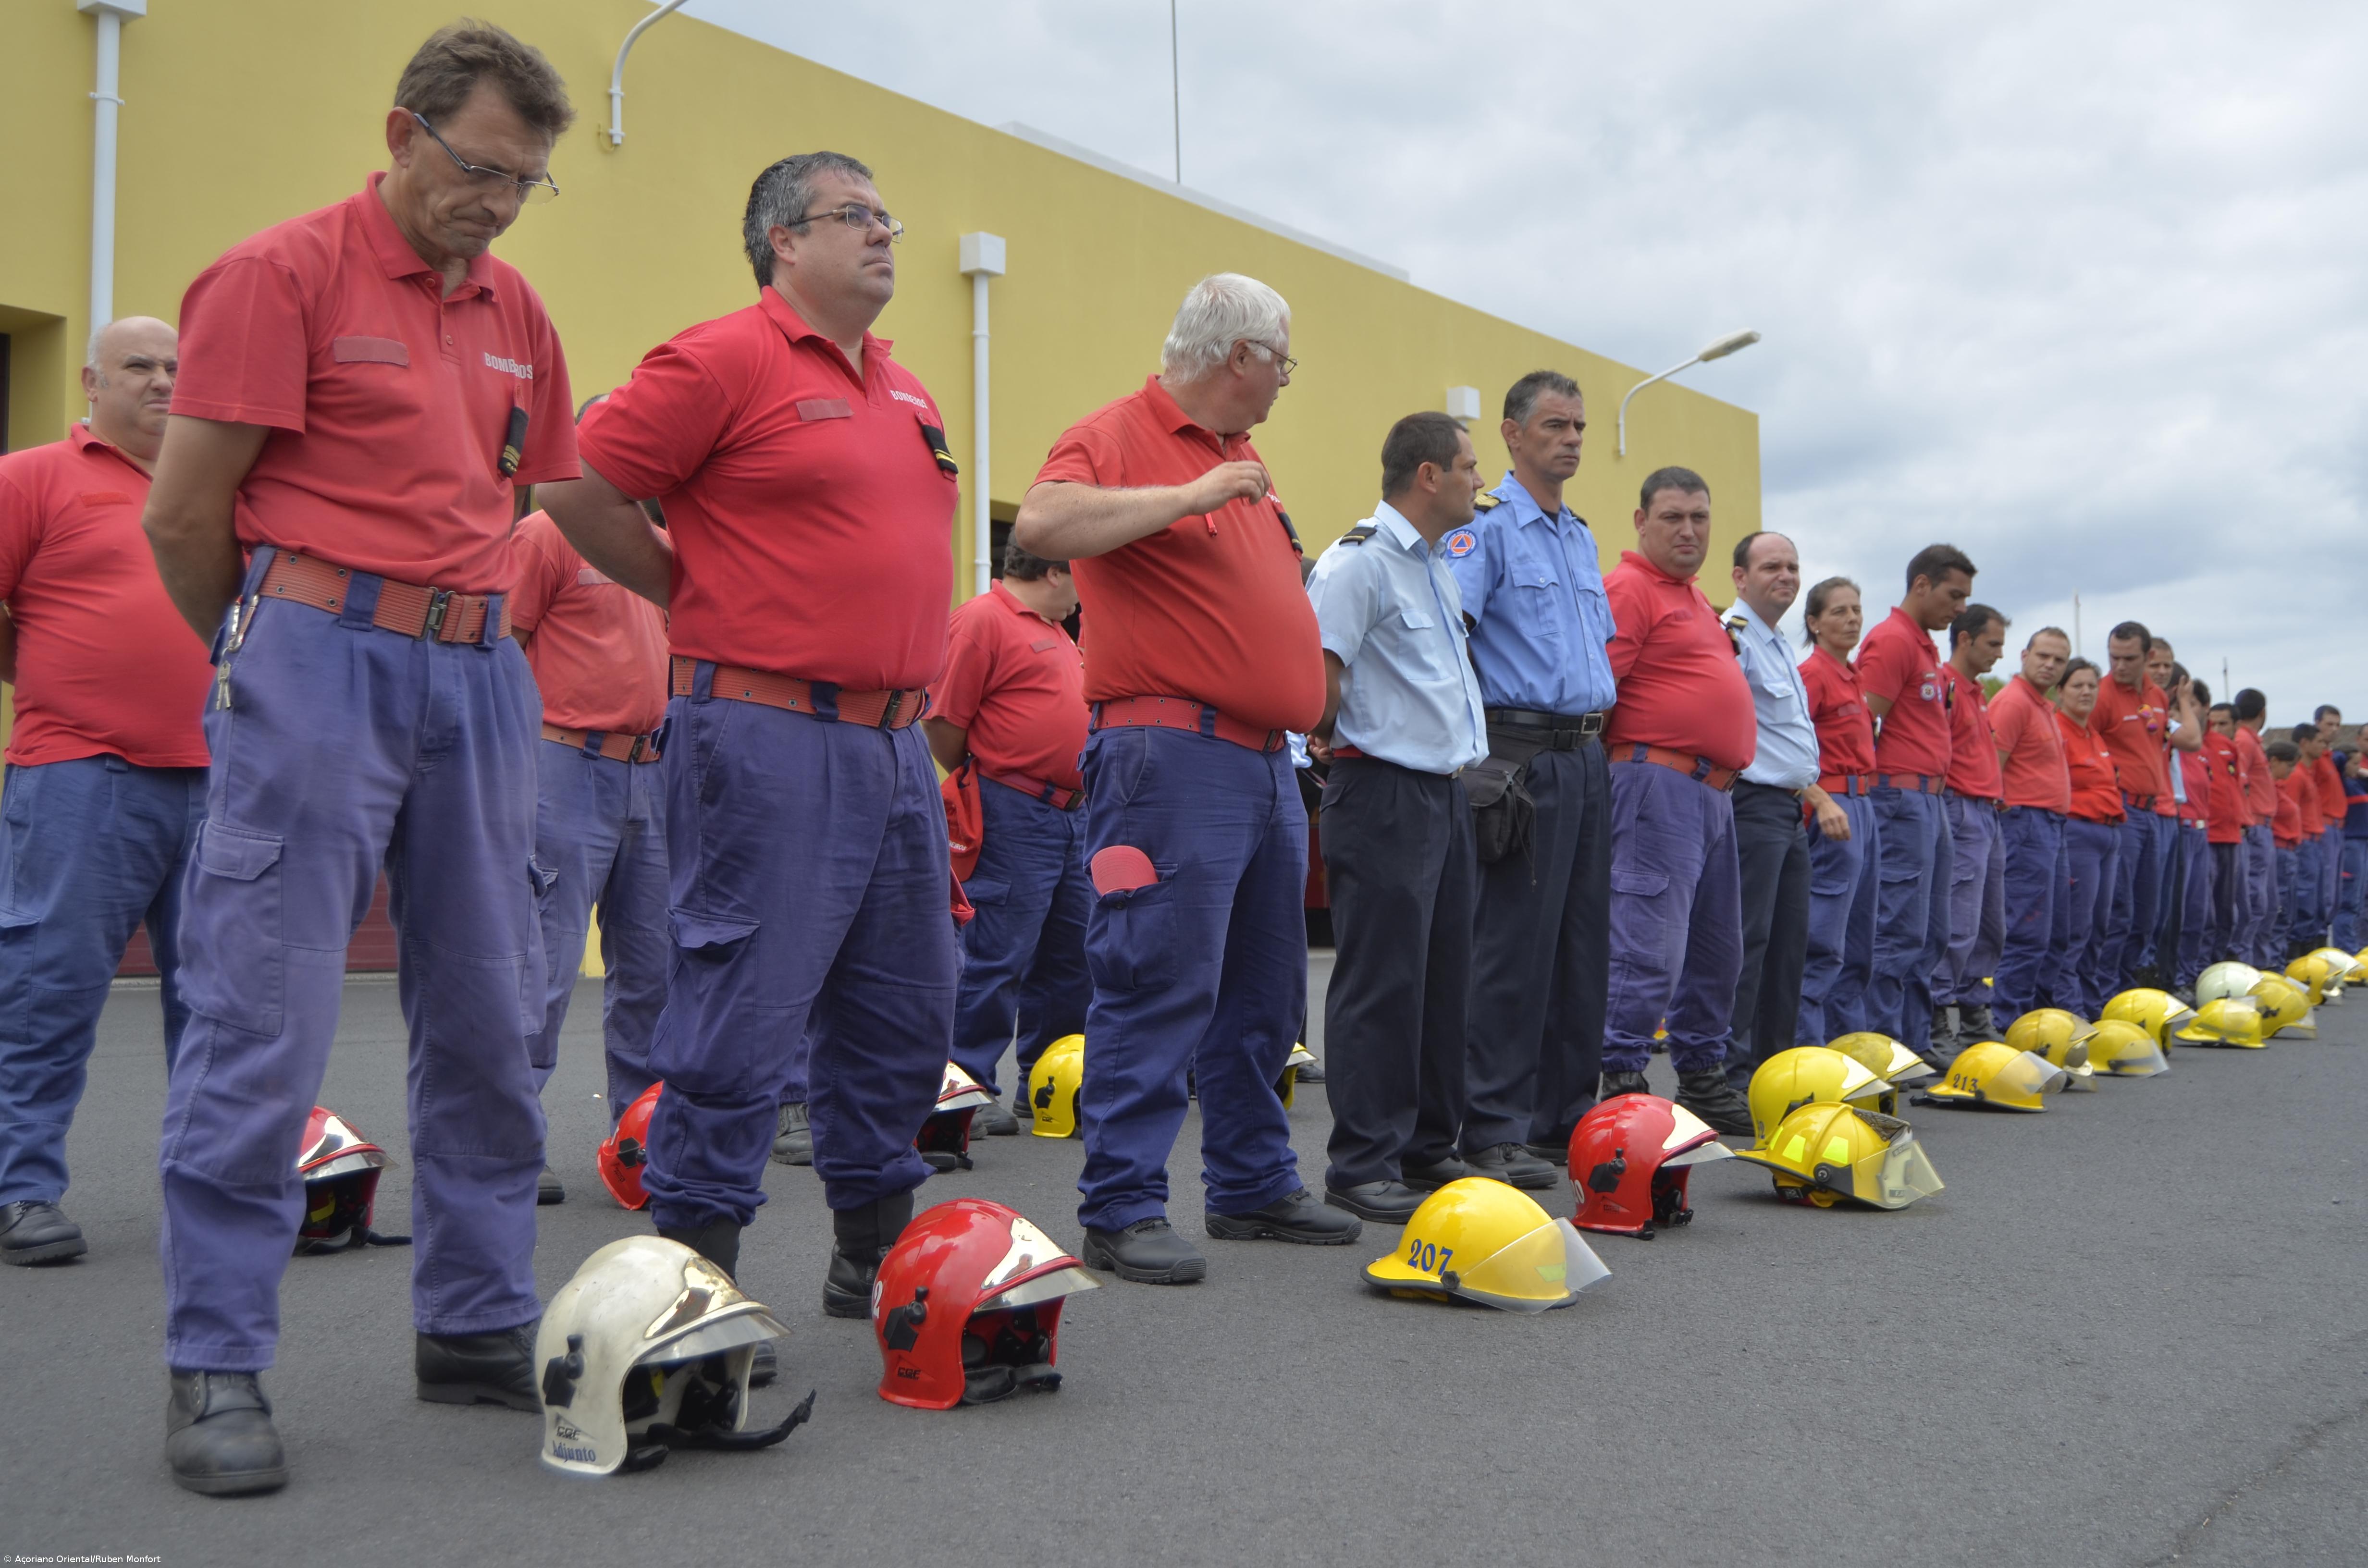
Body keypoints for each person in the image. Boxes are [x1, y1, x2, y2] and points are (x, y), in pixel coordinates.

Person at [138, 24, 580, 1494]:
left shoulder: (518, 305)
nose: (498, 204)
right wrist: (263, 660)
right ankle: (215, 1359)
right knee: (261, 1015)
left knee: (490, 1010)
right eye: (479, 170)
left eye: (525, 183)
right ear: (403, 131)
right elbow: (184, 517)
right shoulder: (278, 275)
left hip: (482, 669)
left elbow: (527, 493)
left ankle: (471, 1318)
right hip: (317, 652)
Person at [542, 150, 962, 1320]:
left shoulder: (908, 388)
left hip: (893, 747)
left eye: (889, 215)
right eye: (855, 216)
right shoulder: (723, 357)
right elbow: (574, 482)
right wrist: (691, 592)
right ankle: (692, 1292)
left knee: (903, 1010)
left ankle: (870, 1261)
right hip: (769, 733)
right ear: (783, 238)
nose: (885, 235)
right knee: (743, 1015)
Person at [1012, 272, 1359, 1284]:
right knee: (1155, 979)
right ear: (1238, 356)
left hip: (1259, 762)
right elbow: (1040, 526)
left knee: (1263, 991)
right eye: (1282, 363)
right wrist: (1192, 495)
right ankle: (1121, 1206)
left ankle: (1250, 1185)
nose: (1286, 383)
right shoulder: (1124, 433)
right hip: (1168, 758)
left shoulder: (1242, 456)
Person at [0, 318, 210, 1270]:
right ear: (90, 380)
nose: (163, 380)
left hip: (218, 782)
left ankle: (214, 1193)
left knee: (218, 1003)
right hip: (83, 775)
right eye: (140, 367)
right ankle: (21, 1191)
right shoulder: (34, 478)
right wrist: (56, 680)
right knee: (49, 990)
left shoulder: (216, 487)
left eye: (175, 367)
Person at [1303, 412, 1489, 1222]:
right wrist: (1322, 744)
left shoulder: (1434, 568)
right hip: (1381, 790)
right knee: (1381, 980)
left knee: (1445, 978)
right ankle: (1361, 1160)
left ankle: (1425, 1145)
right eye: (1469, 467)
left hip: (1443, 791)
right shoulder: (1358, 564)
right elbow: (1318, 676)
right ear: (1427, 474)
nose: (1477, 481)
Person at [1443, 370, 1616, 1181]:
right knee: (1512, 947)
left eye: (1578, 425)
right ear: (1511, 434)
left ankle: (1560, 1115)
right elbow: (1447, 637)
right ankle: (1491, 1123)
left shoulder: (1579, 535)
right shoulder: (1488, 531)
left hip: (1586, 755)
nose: (1571, 438)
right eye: (1554, 425)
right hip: (1519, 754)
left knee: (1581, 945)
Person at [508, 401, 671, 1203]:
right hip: (562, 764)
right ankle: (509, 1140)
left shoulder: (649, 542)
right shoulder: (545, 531)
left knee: (653, 972)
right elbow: (499, 648)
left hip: (651, 772)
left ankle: (641, 1140)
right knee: (540, 963)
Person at [1594, 468, 1755, 1136]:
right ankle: (1622, 1076)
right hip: (1656, 785)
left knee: (1719, 951)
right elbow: (1599, 689)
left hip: (1711, 795)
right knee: (1647, 947)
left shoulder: (1694, 598)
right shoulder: (1630, 588)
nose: (1688, 530)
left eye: (1699, 517)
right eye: (1672, 518)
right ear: (1640, 522)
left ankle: (1701, 1074)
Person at [922, 541, 1090, 1137]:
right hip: (1014, 805)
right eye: (1080, 573)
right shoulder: (982, 619)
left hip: (1068, 812)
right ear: (1051, 570)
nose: (1084, 590)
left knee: (1068, 958)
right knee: (996, 954)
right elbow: (943, 723)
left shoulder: (1052, 627)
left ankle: (1048, 1084)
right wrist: (991, 777)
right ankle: (964, 1088)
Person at [1855, 544, 1974, 1061]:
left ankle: (1913, 1043)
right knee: (1897, 931)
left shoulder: (1922, 645)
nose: (1960, 607)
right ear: (1921, 585)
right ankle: (1884, 1051)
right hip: (1899, 797)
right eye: (1953, 594)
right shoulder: (1891, 640)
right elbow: (1861, 722)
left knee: (1930, 932)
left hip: (1929, 800)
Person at [1720, 532, 1825, 1092]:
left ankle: (1771, 1075)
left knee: (1787, 949)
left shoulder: (1778, 642)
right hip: (1752, 805)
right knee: (1748, 945)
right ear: (1740, 578)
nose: (1785, 576)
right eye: (1770, 567)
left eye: (1792, 567)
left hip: (1788, 811)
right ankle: (1731, 1077)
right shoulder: (1732, 639)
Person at [1795, 576, 1880, 1045]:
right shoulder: (1812, 674)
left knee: (1858, 946)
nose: (1851, 619)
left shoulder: (1851, 675)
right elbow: (1783, 746)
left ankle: (1847, 1054)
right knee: (1822, 945)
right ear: (1814, 623)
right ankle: (1809, 1055)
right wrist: (1818, 800)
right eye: (1838, 612)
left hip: (1862, 805)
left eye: (1855, 609)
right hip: (1832, 808)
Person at [2092, 623, 2196, 989]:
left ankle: (2126, 984)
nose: (2119, 666)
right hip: (2122, 810)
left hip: (2153, 812)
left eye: (2129, 659)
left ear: (2148, 657)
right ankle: (2103, 991)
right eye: (2113, 657)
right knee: (2119, 909)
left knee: (2148, 914)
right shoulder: (2101, 696)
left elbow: (2181, 742)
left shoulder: (2157, 696)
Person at [1986, 625, 2072, 1023]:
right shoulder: (2014, 702)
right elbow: (1992, 770)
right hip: (2024, 823)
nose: (2050, 665)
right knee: (2026, 932)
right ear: (2024, 656)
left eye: (2059, 660)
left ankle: (2039, 1021)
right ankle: (2011, 1021)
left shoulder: (2043, 705)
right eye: (2043, 656)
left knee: (2054, 933)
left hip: (2051, 825)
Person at [1933, 603, 2008, 1046]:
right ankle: (1938, 1018)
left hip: (1987, 811)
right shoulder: (1946, 686)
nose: (2000, 652)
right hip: (1960, 808)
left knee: (1990, 924)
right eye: (1993, 643)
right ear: (1966, 640)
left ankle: (1975, 1011)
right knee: (1958, 923)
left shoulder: (1976, 692)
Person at [2049, 661, 2125, 1018]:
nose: (2086, 692)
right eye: (2077, 685)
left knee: (2100, 926)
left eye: (2092, 686)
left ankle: (2092, 1006)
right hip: (2078, 831)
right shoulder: (2057, 729)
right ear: (2061, 691)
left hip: (2108, 834)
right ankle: (2070, 1008)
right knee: (2076, 928)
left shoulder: (2094, 734)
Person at [2144, 642, 2205, 995]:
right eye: (2156, 666)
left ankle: (2167, 981)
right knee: (2148, 912)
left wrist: (2183, 698)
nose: (2163, 673)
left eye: (2168, 667)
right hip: (2150, 812)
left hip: (2172, 814)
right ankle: (2149, 981)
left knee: (2171, 911)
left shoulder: (2164, 716)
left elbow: (2193, 739)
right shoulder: (2142, 712)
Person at [2162, 672, 2215, 997]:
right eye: (2182, 704)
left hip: (2200, 832)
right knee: (2175, 913)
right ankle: (2175, 977)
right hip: (2179, 826)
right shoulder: (2171, 737)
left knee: (2198, 911)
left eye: (2193, 704)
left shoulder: (2201, 749)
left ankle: (2191, 973)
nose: (2187, 712)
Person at [2232, 688, 2282, 967]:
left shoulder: (2250, 741)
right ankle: (2247, 963)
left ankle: (2260, 963)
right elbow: (2238, 784)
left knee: (2266, 902)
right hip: (2254, 826)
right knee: (2253, 900)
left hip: (2262, 827)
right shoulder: (2245, 741)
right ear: (2262, 713)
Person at [2201, 703, 2249, 966]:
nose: (2218, 729)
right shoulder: (2191, 743)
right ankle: (2201, 966)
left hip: (2231, 835)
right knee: (2204, 909)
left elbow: (2237, 787)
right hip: (2206, 835)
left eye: (2224, 724)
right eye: (2214, 723)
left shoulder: (2228, 747)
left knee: (2228, 910)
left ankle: (2220, 964)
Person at [2285, 723, 2328, 956]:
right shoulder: (2297, 775)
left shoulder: (2308, 773)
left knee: (2317, 900)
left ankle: (2311, 949)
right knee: (2305, 899)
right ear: (2305, 743)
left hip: (2315, 841)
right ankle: (2298, 954)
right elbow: (2292, 810)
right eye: (2319, 741)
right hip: (2305, 842)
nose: (2324, 746)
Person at [2311, 706, 2348, 948]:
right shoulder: (2315, 760)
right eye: (2329, 724)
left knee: (2335, 891)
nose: (2333, 730)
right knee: (2323, 889)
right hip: (2323, 826)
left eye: (2337, 725)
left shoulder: (2330, 757)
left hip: (2338, 828)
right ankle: (2317, 943)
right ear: (2317, 723)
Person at [2269, 738, 2308, 939]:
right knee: (2280, 910)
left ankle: (2280, 958)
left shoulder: (2280, 788)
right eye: (2289, 765)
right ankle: (2273, 962)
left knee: (2289, 912)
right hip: (2279, 850)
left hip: (2289, 852)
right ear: (2274, 761)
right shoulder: (2269, 790)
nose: (2292, 771)